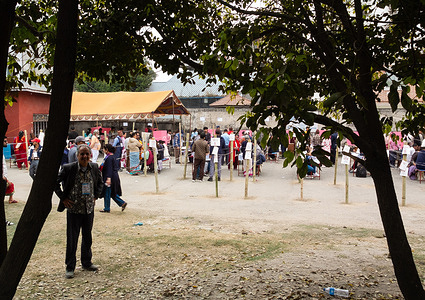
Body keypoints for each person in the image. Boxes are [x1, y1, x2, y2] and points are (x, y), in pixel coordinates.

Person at [54, 144, 103, 279]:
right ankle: (70, 267)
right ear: (77, 156)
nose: (85, 156)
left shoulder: (94, 167)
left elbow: (100, 183)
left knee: (87, 238)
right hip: (74, 210)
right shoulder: (69, 169)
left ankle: (87, 262)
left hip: (88, 210)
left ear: (90, 155)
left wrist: (95, 196)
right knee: (72, 239)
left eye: (87, 154)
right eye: (82, 154)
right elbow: (55, 182)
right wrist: (63, 198)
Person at [99, 144, 127, 213]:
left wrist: (108, 178)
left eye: (104, 149)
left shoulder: (109, 158)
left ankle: (107, 208)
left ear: (107, 150)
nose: (103, 150)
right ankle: (121, 203)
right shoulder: (112, 157)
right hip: (113, 176)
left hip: (110, 177)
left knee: (107, 193)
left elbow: (109, 169)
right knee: (112, 193)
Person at [2, 137, 17, 204]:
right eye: (5, 141)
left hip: (4, 176)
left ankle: (11, 199)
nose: (7, 142)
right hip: (2, 177)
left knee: (10, 185)